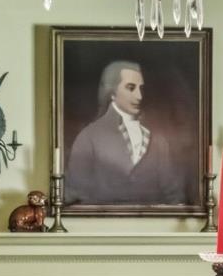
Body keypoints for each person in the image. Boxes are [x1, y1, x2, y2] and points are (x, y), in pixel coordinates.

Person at [65, 60, 189, 205]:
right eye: (130, 88)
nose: (139, 96)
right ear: (112, 92)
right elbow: (75, 193)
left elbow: (173, 194)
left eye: (140, 88)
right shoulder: (89, 137)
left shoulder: (157, 140)